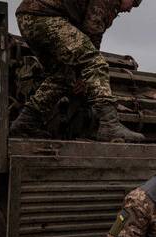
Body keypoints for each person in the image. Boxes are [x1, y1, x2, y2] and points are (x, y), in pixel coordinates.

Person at [13, 0, 146, 142]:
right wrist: (84, 75)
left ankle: (26, 122)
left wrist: (79, 74)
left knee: (62, 76)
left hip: (28, 19)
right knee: (96, 63)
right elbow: (93, 30)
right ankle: (109, 124)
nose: (130, 9)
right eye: (133, 3)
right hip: (44, 16)